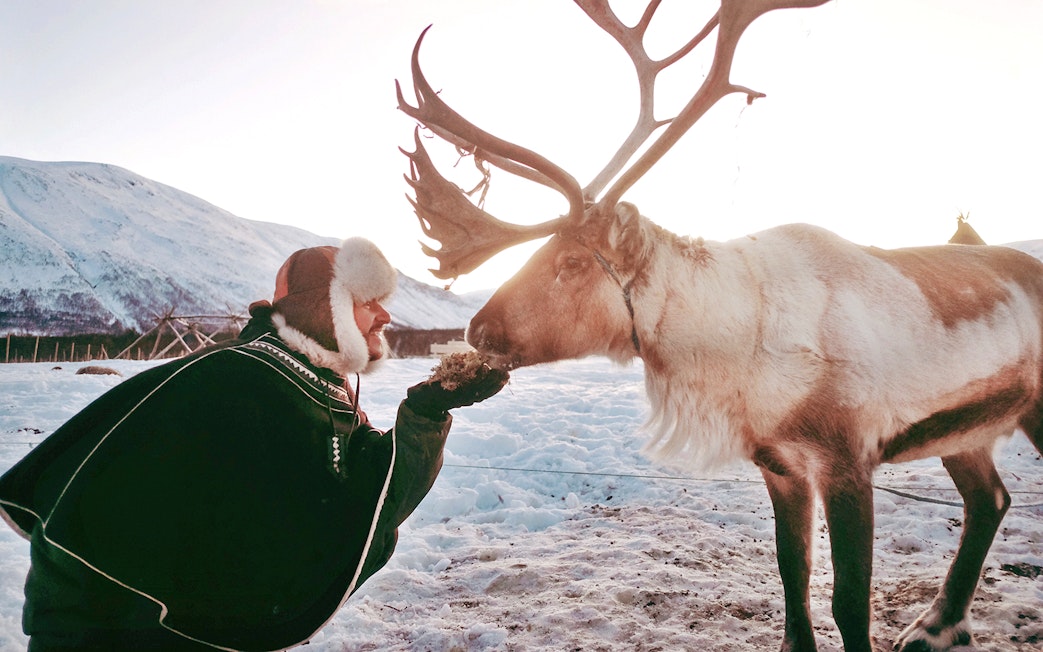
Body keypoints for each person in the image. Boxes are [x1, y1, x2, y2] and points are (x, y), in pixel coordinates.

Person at [0, 238, 508, 651]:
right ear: (324, 307)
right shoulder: (242, 379)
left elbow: (365, 496)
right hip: (123, 632)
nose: (385, 316)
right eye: (367, 301)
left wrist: (424, 413)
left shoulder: (310, 379)